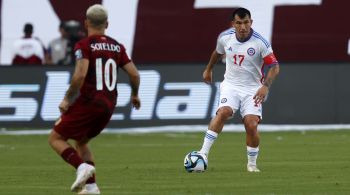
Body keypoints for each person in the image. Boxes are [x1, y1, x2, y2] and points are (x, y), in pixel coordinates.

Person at [48, 4, 141, 194]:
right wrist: (135, 95)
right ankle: (91, 187)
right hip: (108, 105)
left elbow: (80, 75)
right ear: (107, 24)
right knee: (81, 142)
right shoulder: (117, 46)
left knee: (56, 138)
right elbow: (134, 75)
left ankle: (82, 167)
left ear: (86, 23)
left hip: (90, 101)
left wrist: (67, 100)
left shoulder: (84, 45)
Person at [197, 7, 280, 172]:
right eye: (239, 23)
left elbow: (275, 67)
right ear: (233, 24)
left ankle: (252, 164)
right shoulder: (225, 38)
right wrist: (209, 69)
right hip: (231, 85)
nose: (243, 27)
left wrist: (265, 86)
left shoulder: (260, 43)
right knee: (223, 112)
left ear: (251, 22)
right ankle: (203, 153)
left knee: (251, 124)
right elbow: (217, 52)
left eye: (246, 22)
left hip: (253, 89)